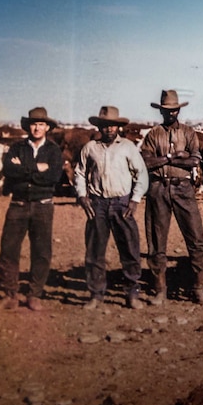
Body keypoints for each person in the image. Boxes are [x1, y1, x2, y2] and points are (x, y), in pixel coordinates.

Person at [74, 106, 149, 310]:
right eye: (105, 125)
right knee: (94, 251)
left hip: (121, 204)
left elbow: (141, 174)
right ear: (99, 126)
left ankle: (132, 293)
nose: (109, 129)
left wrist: (134, 200)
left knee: (129, 249)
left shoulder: (127, 147)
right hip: (97, 204)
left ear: (119, 127)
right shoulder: (90, 147)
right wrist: (82, 196)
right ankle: (96, 294)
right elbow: (79, 172)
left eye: (113, 125)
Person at [141, 89, 203, 305]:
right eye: (166, 110)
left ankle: (198, 288)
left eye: (173, 110)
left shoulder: (189, 133)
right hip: (158, 188)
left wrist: (163, 160)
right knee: (156, 241)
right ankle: (160, 289)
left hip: (183, 188)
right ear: (161, 110)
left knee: (196, 239)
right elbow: (146, 162)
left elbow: (194, 161)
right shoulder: (153, 134)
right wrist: (173, 157)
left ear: (178, 110)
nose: (170, 113)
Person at [0, 107, 63, 311]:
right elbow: (8, 170)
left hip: (43, 206)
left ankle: (34, 294)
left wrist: (23, 169)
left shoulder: (53, 150)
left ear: (47, 127)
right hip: (18, 204)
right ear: (27, 126)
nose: (37, 128)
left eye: (41, 124)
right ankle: (10, 295)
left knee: (41, 251)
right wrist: (37, 169)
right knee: (8, 249)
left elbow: (54, 177)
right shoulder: (16, 148)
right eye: (34, 124)